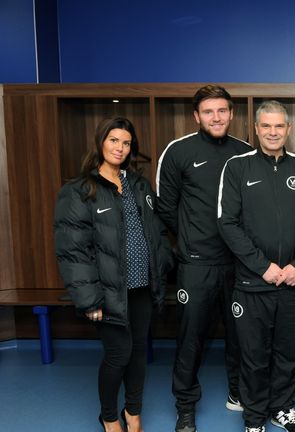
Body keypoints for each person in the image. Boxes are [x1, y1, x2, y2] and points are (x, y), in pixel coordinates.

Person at [53, 117, 173, 432]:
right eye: (113, 140)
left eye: (126, 142)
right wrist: (89, 300)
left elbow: (156, 233)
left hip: (142, 287)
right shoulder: (79, 190)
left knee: (136, 355)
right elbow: (73, 251)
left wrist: (162, 267)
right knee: (118, 354)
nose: (119, 147)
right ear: (100, 143)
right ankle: (109, 417)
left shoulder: (139, 185)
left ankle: (133, 413)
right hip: (108, 293)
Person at [218, 100, 295, 432]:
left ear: (289, 129)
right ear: (255, 129)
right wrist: (262, 266)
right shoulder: (237, 168)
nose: (273, 132)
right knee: (253, 355)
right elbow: (228, 224)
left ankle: (282, 407)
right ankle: (254, 418)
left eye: (279, 126)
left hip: (294, 282)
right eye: (266, 126)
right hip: (254, 283)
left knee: (287, 351)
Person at [156, 85, 251, 432]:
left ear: (231, 113)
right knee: (191, 337)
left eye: (222, 110)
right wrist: (190, 238)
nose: (216, 117)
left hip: (240, 264)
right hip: (196, 264)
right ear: (196, 116)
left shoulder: (245, 153)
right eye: (208, 112)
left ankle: (238, 392)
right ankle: (185, 405)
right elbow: (165, 205)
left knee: (241, 334)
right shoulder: (178, 151)